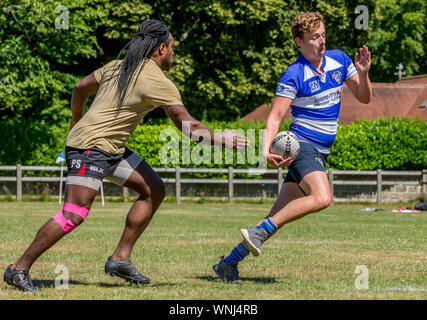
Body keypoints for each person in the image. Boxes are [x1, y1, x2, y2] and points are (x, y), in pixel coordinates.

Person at [4, 20, 248, 292]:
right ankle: (18, 268)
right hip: (90, 148)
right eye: (172, 50)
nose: (173, 55)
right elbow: (186, 125)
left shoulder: (117, 66)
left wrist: (76, 119)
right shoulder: (157, 81)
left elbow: (79, 87)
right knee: (73, 214)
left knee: (153, 188)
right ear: (161, 49)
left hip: (110, 148)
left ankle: (120, 258)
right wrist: (222, 139)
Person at [213, 11, 372, 282]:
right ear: (299, 42)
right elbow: (275, 116)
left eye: (323, 34)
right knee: (322, 198)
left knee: (275, 217)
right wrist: (265, 151)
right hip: (302, 147)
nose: (321, 41)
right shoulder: (293, 74)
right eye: (314, 38)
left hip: (321, 152)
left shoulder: (340, 60)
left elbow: (364, 98)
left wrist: (365, 74)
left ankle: (228, 263)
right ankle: (256, 235)